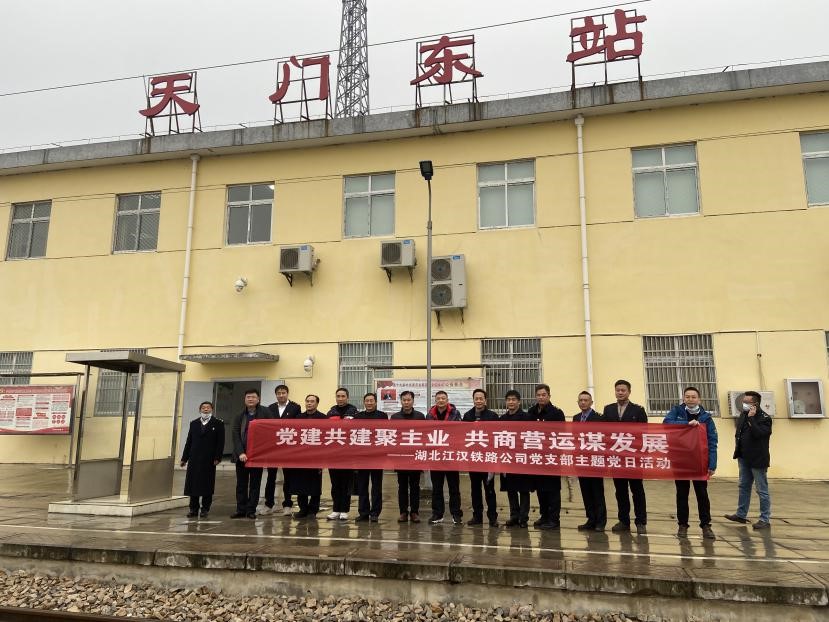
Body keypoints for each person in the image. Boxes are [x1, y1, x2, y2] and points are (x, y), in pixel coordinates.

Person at [663, 387, 718, 539]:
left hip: (699, 462)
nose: (690, 399)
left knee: (702, 494)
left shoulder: (706, 417)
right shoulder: (677, 411)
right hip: (681, 461)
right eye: (687, 397)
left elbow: (712, 441)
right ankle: (682, 525)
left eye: (693, 397)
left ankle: (706, 525)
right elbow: (666, 423)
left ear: (699, 399)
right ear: (684, 398)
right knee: (682, 494)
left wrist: (712, 464)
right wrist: (686, 423)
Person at [602, 379, 648, 534]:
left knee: (637, 490)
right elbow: (604, 433)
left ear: (629, 392)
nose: (620, 392)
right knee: (620, 491)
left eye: (623, 390)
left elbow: (644, 434)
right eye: (618, 390)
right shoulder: (608, 410)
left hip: (633, 458)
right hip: (616, 458)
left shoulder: (638, 410)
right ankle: (624, 521)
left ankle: (641, 522)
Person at [725, 390, 773, 530]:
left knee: (761, 490)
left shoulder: (765, 418)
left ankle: (764, 519)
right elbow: (739, 434)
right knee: (743, 486)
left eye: (747, 402)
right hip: (743, 457)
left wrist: (751, 419)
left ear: (755, 404)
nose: (744, 404)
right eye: (743, 401)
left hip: (757, 459)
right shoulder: (743, 415)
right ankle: (741, 514)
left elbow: (758, 434)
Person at [230, 388, 273, 519]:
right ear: (245, 399)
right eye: (248, 397)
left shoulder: (265, 412)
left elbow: (271, 430)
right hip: (241, 456)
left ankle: (251, 510)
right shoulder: (240, 415)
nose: (250, 399)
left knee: (255, 484)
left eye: (253, 397)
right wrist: (240, 453)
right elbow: (235, 434)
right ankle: (240, 509)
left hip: (257, 456)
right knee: (241, 484)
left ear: (258, 399)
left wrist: (262, 452)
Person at [528, 383, 565, 530]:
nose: (541, 397)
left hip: (552, 457)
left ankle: (554, 519)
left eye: (544, 395)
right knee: (540, 488)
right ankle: (544, 516)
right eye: (538, 395)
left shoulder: (557, 413)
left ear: (549, 396)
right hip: (537, 456)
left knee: (552, 489)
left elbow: (561, 435)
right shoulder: (531, 412)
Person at [261, 384, 302, 516]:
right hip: (273, 448)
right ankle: (268, 504)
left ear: (287, 394)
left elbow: (297, 426)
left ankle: (288, 505)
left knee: (288, 477)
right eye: (278, 393)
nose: (281, 395)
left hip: (288, 447)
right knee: (271, 477)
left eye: (283, 393)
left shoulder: (295, 407)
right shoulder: (270, 408)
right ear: (276, 395)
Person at [461, 388, 500, 527]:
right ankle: (477, 516)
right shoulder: (468, 416)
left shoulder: (493, 416)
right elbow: (462, 435)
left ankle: (492, 517)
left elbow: (497, 436)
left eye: (481, 398)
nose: (478, 401)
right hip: (473, 458)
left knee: (490, 490)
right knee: (475, 489)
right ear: (473, 400)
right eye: (476, 398)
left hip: (488, 459)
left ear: (485, 400)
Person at [180, 401, 225, 519]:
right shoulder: (194, 423)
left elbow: (220, 442)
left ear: (212, 409)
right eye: (203, 407)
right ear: (199, 410)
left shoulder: (218, 423)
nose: (205, 409)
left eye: (208, 407)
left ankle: (205, 509)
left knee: (207, 484)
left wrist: (217, 457)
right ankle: (193, 509)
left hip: (209, 459)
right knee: (193, 484)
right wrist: (184, 458)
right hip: (194, 458)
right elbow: (189, 441)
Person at [426, 390, 463, 525]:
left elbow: (458, 431)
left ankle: (456, 514)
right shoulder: (430, 415)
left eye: (443, 398)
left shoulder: (455, 413)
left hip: (451, 456)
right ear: (435, 400)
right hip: (436, 457)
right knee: (437, 488)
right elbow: (427, 433)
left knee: (454, 488)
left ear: (447, 400)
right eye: (438, 398)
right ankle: (437, 513)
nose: (441, 400)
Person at [289, 395, 327, 519]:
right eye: (307, 401)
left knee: (315, 485)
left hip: (316, 457)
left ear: (317, 403)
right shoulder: (298, 417)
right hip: (301, 457)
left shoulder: (323, 418)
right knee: (301, 484)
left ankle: (313, 510)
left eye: (312, 401)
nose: (309, 403)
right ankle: (303, 509)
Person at [573, 391, 606, 532]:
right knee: (585, 492)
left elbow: (604, 439)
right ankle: (591, 519)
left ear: (591, 402)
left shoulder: (599, 418)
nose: (583, 402)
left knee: (597, 492)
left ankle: (600, 521)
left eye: (586, 400)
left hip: (595, 460)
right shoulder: (576, 418)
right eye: (580, 400)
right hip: (582, 460)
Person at [391, 390, 426, 523]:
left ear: (413, 401)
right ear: (401, 401)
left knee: (415, 486)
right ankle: (403, 512)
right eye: (404, 400)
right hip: (401, 457)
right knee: (402, 486)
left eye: (409, 400)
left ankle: (415, 512)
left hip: (415, 457)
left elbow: (424, 436)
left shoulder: (420, 416)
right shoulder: (395, 417)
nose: (406, 402)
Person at [500, 390, 533, 528]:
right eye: (508, 399)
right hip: (508, 458)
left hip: (522, 458)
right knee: (511, 489)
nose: (511, 402)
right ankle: (514, 515)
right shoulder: (502, 419)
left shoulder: (527, 417)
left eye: (514, 399)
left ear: (519, 401)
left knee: (523, 490)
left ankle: (523, 518)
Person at [326, 388, 358, 520]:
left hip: (348, 454)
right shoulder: (330, 412)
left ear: (347, 397)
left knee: (346, 484)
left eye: (343, 396)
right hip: (333, 454)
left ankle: (344, 510)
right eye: (338, 396)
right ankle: (336, 509)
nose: (340, 398)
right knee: (335, 484)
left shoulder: (354, 412)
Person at [355, 392, 386, 522]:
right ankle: (363, 512)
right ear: (364, 402)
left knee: (376, 486)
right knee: (362, 486)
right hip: (362, 456)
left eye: (371, 400)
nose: (369, 403)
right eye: (367, 401)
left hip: (377, 456)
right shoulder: (358, 417)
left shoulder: (382, 416)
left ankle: (375, 513)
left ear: (375, 402)